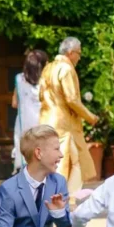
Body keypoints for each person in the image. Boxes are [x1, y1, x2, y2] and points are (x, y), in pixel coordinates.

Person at [38, 37, 100, 197]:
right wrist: (90, 117)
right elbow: (72, 99)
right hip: (64, 125)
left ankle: (57, 197)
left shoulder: (48, 68)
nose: (79, 57)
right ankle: (66, 198)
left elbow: (40, 96)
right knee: (73, 162)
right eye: (78, 53)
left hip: (46, 121)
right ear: (71, 53)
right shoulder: (66, 69)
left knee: (51, 162)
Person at [11, 50, 48, 173]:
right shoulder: (46, 81)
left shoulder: (19, 79)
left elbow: (14, 103)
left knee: (24, 156)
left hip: (23, 124)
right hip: (42, 122)